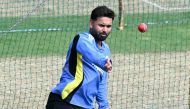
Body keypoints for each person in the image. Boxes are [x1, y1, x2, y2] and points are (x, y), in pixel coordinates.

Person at [46, 5, 115, 109]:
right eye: (101, 25)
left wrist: (104, 105)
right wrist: (104, 62)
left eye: (108, 26)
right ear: (91, 23)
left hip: (86, 106)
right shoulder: (82, 39)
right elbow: (91, 53)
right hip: (64, 101)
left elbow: (101, 81)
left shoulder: (106, 50)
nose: (105, 30)